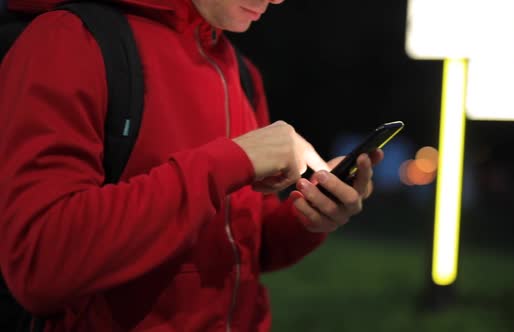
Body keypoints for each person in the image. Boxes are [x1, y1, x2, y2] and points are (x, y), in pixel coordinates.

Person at [0, 0, 384, 331]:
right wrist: (236, 159)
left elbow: (244, 248)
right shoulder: (70, 39)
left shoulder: (242, 73)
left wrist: (311, 216)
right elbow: (39, 264)